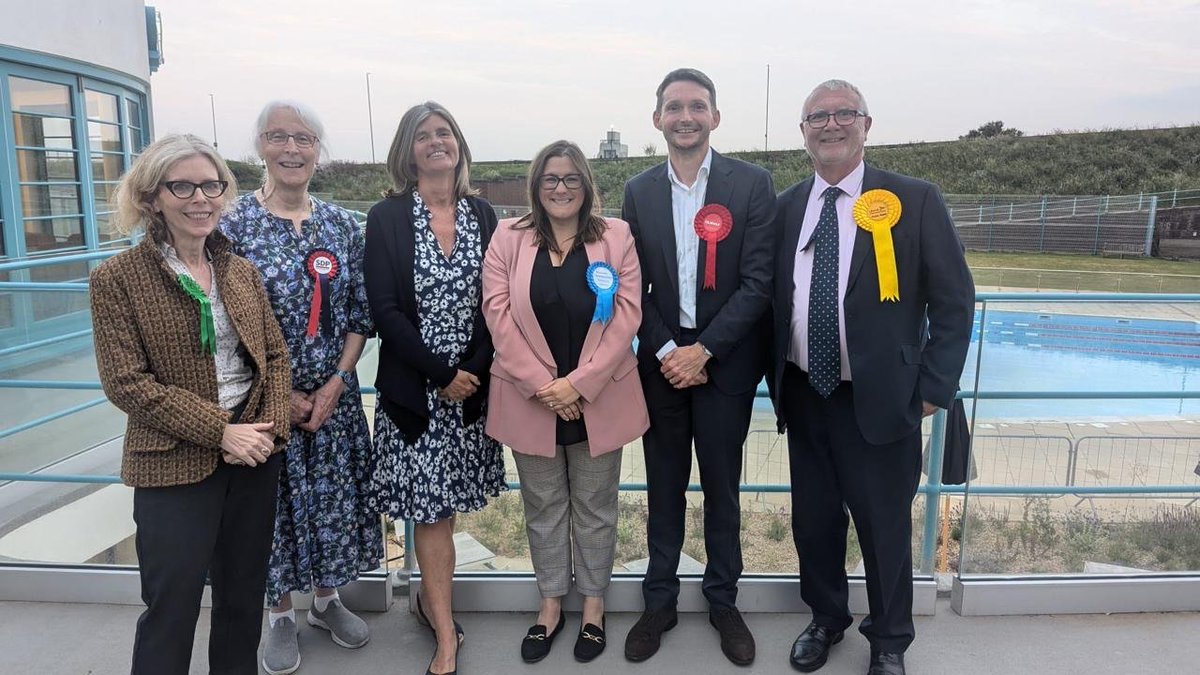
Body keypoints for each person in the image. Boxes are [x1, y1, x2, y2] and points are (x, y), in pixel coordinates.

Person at [769, 79, 975, 675]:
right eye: (817, 117)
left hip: (884, 398)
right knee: (814, 520)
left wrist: (935, 387)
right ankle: (826, 618)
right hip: (806, 394)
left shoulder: (913, 199)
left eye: (843, 114)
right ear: (802, 131)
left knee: (884, 527)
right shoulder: (786, 208)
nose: (830, 125)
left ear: (866, 124)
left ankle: (888, 641)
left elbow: (954, 300)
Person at [90, 133, 291, 674]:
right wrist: (220, 431)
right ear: (152, 197)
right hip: (171, 465)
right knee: (170, 609)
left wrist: (264, 435)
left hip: (253, 459)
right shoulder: (117, 280)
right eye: (183, 186)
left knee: (242, 600)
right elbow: (127, 383)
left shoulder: (239, 271)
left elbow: (273, 355)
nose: (201, 198)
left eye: (211, 184)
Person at [621, 68, 777, 666]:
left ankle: (722, 600)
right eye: (674, 107)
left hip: (725, 363)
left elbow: (758, 281)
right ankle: (658, 601)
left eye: (697, 106)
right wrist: (668, 352)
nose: (685, 116)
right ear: (657, 118)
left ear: (716, 116)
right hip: (661, 362)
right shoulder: (638, 191)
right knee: (663, 486)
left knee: (722, 489)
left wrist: (705, 351)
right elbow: (634, 286)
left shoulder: (751, 184)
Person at [220, 101, 380, 675]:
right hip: (264, 401)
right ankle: (280, 614)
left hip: (333, 397)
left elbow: (362, 311)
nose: (292, 149)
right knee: (273, 508)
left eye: (304, 138)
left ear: (319, 150)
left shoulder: (340, 224)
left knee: (333, 502)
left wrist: (338, 381)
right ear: (259, 147)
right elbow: (223, 318)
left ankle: (326, 600)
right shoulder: (232, 224)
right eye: (278, 137)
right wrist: (276, 393)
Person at [482, 140, 649, 664]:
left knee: (597, 509)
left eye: (570, 179)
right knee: (544, 508)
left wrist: (579, 384)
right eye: (550, 179)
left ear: (586, 185)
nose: (560, 188)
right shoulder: (508, 237)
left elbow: (627, 316)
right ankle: (550, 605)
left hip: (597, 399)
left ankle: (594, 607)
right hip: (531, 401)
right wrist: (545, 387)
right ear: (536, 186)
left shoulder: (616, 236)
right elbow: (498, 316)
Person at [364, 101, 506, 675]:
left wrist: (470, 369)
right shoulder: (387, 217)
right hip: (417, 396)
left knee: (446, 511)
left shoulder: (484, 214)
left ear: (458, 144)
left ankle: (430, 601)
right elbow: (385, 310)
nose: (435, 142)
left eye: (444, 132)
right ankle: (445, 634)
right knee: (431, 514)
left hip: (470, 391)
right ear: (408, 149)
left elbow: (498, 304)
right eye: (423, 135)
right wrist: (441, 374)